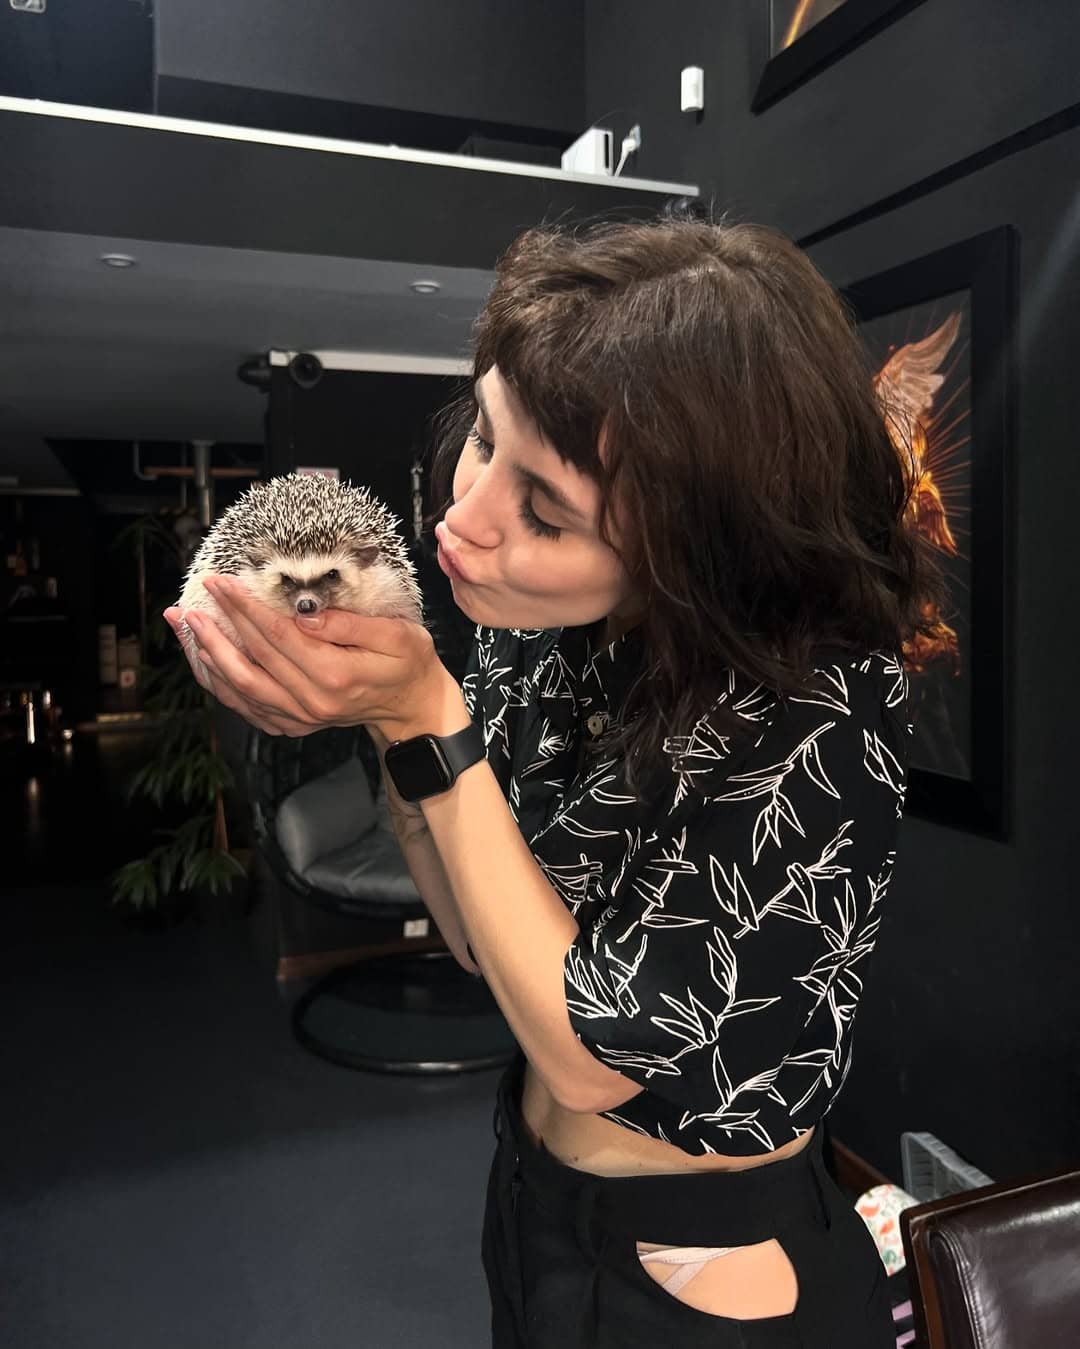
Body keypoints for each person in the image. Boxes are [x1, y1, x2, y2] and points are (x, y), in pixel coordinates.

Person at [164, 206, 943, 1348]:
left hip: (702, 1273)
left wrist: (423, 715)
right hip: (537, 1201)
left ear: (692, 552)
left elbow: (589, 1057)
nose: (463, 519)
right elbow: (483, 944)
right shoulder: (539, 635)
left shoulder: (817, 708)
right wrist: (392, 721)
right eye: (484, 438)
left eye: (545, 510)